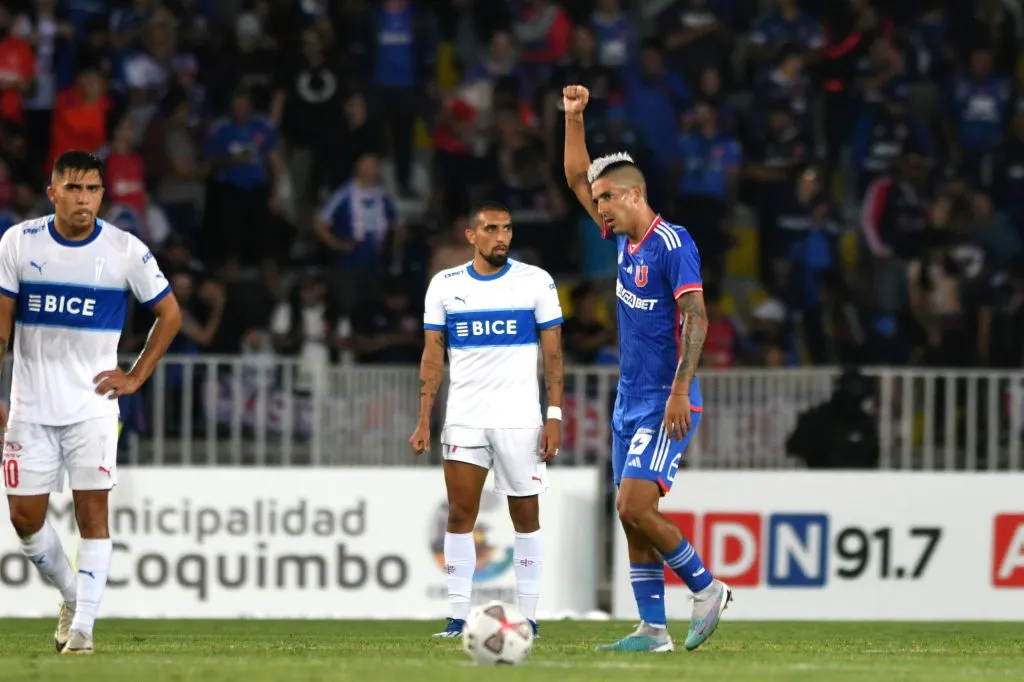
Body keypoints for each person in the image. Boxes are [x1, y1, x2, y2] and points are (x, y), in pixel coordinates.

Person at [562, 85, 731, 653]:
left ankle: (707, 589)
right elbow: (573, 176)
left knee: (633, 505)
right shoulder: (621, 240)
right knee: (633, 518)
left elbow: (697, 317)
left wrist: (681, 391)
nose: (598, 208)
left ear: (633, 196)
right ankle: (653, 629)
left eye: (606, 199)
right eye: (597, 200)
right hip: (628, 399)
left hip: (665, 398)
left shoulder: (672, 244)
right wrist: (574, 118)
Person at [0, 151, 181, 655]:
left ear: (104, 194)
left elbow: (169, 315)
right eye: (74, 188)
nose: (84, 199)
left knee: (93, 512)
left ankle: (83, 630)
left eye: (94, 189)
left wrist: (136, 375)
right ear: (52, 190)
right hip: (28, 407)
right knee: (24, 520)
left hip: (94, 406)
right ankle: (75, 595)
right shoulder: (18, 242)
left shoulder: (125, 249)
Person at [409, 202, 564, 639]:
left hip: (520, 419)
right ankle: (459, 617)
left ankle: (529, 618)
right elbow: (432, 357)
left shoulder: (535, 281)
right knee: (460, 513)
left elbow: (553, 354)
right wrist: (424, 419)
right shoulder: (445, 286)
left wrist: (553, 415)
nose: (501, 237)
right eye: (491, 229)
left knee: (526, 514)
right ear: (470, 235)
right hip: (465, 418)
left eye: (507, 229)